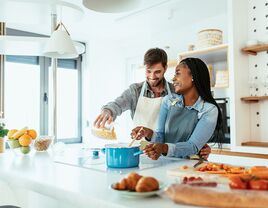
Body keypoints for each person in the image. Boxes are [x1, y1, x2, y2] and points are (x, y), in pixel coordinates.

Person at [94, 49, 211, 158]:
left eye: (157, 72)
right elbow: (117, 105)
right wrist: (107, 111)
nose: (152, 77)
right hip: (140, 153)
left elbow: (189, 124)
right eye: (148, 71)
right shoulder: (135, 91)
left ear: (165, 68)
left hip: (170, 154)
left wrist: (199, 144)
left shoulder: (177, 91)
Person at [131, 58, 223, 160]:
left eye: (177, 74)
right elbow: (161, 136)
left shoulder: (208, 110)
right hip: (164, 162)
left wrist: (164, 148)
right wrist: (148, 133)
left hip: (190, 166)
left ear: (193, 76)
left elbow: (193, 146)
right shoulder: (168, 101)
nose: (173, 79)